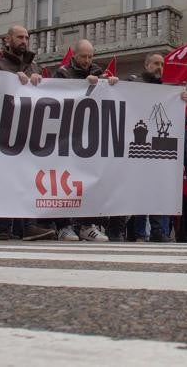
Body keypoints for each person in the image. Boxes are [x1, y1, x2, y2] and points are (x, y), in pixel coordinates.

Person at [0, 25, 55, 242]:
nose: (24, 40)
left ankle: (28, 225)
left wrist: (38, 81)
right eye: (19, 37)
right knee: (4, 176)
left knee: (26, 176)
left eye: (26, 37)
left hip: (27, 127)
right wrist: (15, 79)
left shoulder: (34, 65)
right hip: (3, 126)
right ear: (8, 39)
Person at [52, 39, 118, 242]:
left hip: (90, 137)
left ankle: (86, 225)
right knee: (64, 181)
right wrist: (82, 84)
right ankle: (63, 226)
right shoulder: (62, 73)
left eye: (90, 56)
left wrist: (111, 83)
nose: (87, 60)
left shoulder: (99, 74)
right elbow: (55, 95)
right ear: (74, 56)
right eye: (83, 56)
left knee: (90, 180)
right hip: (66, 135)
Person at [126, 52, 187, 242]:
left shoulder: (167, 92)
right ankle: (138, 233)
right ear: (146, 65)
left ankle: (157, 230)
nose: (159, 67)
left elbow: (177, 122)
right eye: (155, 63)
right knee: (140, 191)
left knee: (157, 189)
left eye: (162, 64)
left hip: (156, 149)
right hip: (137, 147)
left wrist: (181, 103)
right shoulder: (133, 83)